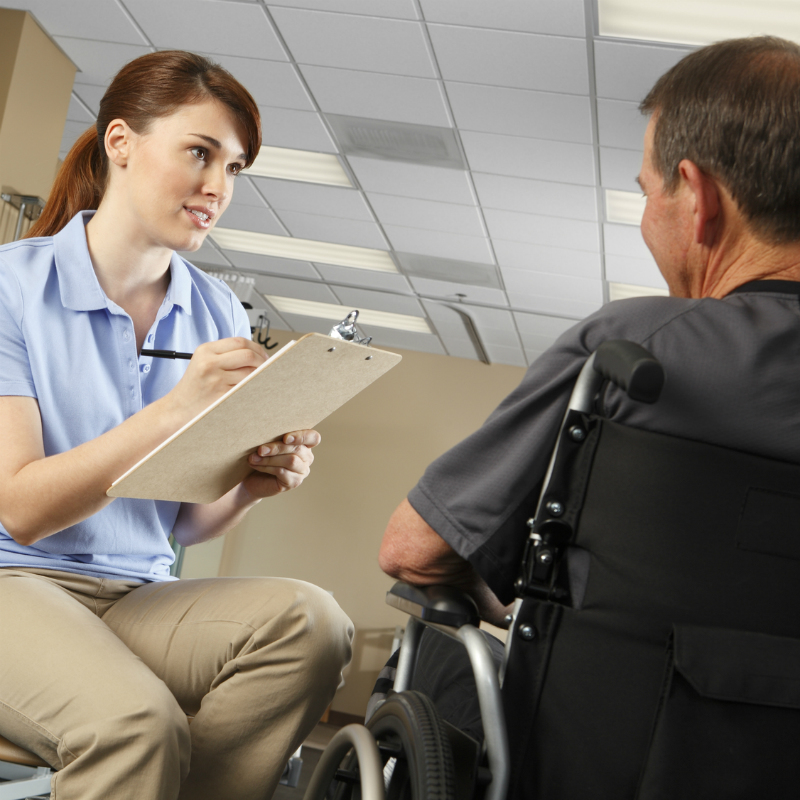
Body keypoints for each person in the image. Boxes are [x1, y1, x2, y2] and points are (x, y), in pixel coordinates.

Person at [377, 35, 800, 798]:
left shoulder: (632, 348)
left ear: (697, 198)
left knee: (428, 654)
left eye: (648, 190)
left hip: (585, 768)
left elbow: (413, 549)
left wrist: (496, 593)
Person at [0, 51, 353, 800]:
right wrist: (175, 410)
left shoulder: (216, 311)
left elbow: (185, 521)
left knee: (313, 623)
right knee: (138, 723)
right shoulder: (11, 288)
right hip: (12, 581)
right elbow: (23, 509)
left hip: (134, 593)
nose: (217, 188)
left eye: (234, 168)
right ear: (120, 142)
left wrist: (254, 483)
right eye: (200, 153)